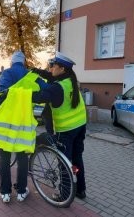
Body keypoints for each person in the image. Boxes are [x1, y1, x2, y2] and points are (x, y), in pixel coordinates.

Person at [0, 51, 47, 203]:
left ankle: (5, 193)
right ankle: (21, 192)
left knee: (5, 159)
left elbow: (2, 96)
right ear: (24, 62)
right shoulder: (32, 76)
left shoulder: (7, 73)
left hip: (5, 124)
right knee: (22, 159)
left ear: (12, 62)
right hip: (23, 124)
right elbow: (46, 91)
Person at [32, 51, 87, 199]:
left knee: (64, 163)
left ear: (62, 68)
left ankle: (64, 194)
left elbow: (36, 96)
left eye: (53, 65)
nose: (50, 68)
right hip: (80, 126)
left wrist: (17, 93)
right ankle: (80, 190)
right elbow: (49, 76)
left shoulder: (57, 87)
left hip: (66, 130)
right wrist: (36, 72)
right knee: (77, 159)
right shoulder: (71, 80)